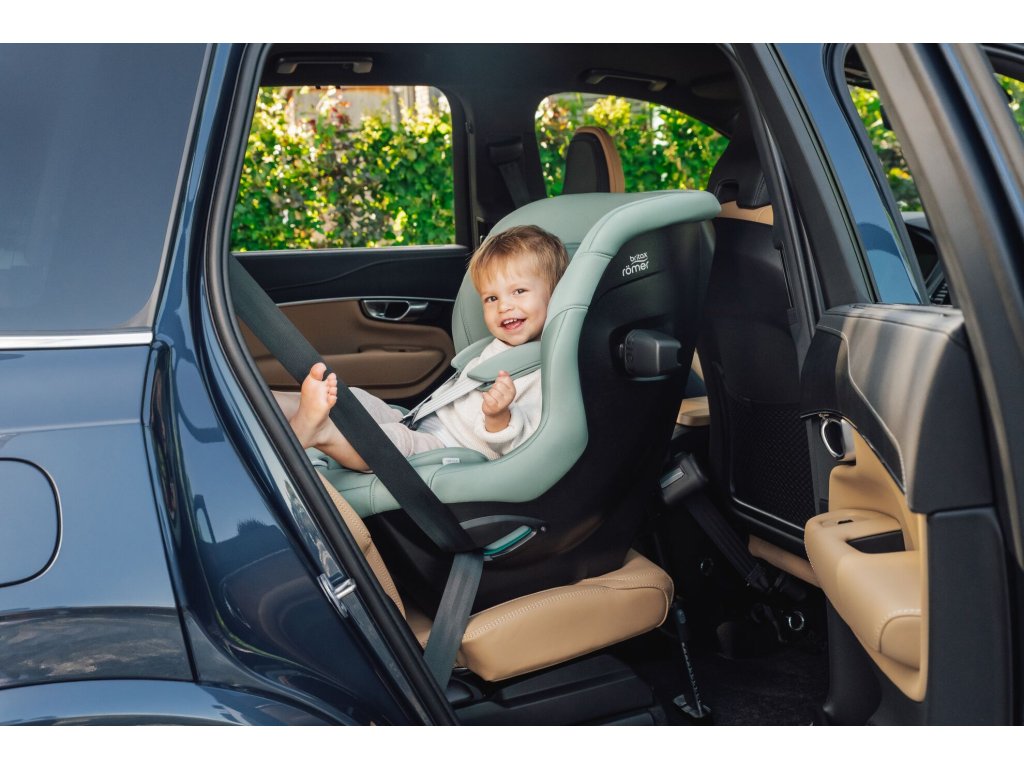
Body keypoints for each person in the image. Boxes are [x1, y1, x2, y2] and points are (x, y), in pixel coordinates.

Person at [276, 224, 569, 471]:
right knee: (353, 399)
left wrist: (499, 417)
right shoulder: (495, 348)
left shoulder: (546, 370)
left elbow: (525, 444)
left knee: (394, 440)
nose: (504, 306)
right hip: (421, 421)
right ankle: (267, 402)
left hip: (450, 447)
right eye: (491, 298)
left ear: (556, 295)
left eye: (519, 291)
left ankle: (321, 433)